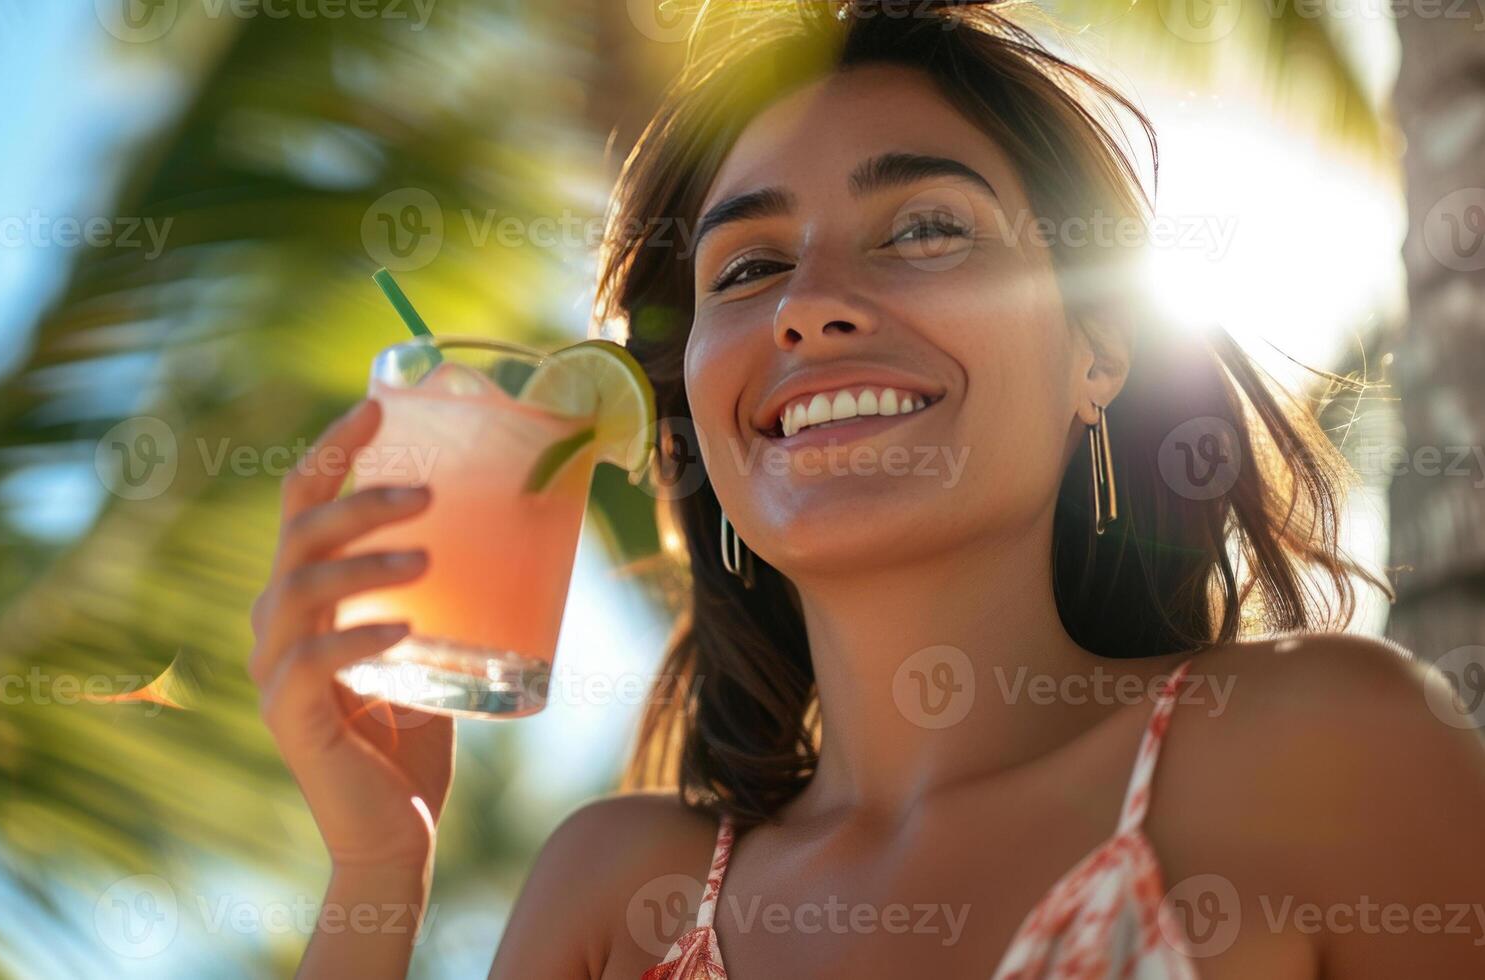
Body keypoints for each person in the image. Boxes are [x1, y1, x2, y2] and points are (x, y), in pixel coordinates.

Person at [249, 2, 1485, 976]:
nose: (809, 304)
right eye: (750, 264)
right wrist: (373, 878)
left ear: (1099, 349)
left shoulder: (1321, 747)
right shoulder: (615, 892)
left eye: (925, 228)